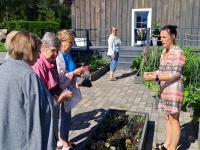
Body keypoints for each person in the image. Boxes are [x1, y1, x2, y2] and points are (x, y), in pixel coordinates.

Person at [0, 31, 58, 149]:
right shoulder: (28, 76)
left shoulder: (3, 68)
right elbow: (37, 112)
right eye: (37, 51)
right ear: (29, 51)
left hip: (7, 135)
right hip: (24, 140)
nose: (38, 55)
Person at [144, 25, 186, 150]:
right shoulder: (164, 51)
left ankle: (173, 147)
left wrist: (155, 78)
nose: (161, 39)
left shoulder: (178, 52)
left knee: (174, 118)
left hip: (174, 90)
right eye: (160, 37)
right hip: (165, 89)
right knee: (167, 117)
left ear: (173, 36)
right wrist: (152, 73)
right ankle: (167, 144)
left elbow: (175, 74)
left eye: (164, 37)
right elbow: (162, 70)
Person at [56, 29, 84, 150]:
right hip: (61, 90)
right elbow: (60, 77)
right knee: (63, 117)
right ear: (62, 41)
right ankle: (64, 143)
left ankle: (61, 141)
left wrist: (76, 73)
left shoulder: (67, 53)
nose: (72, 44)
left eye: (73, 42)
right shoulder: (57, 55)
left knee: (64, 116)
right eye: (70, 42)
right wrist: (74, 73)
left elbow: (69, 69)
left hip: (68, 88)